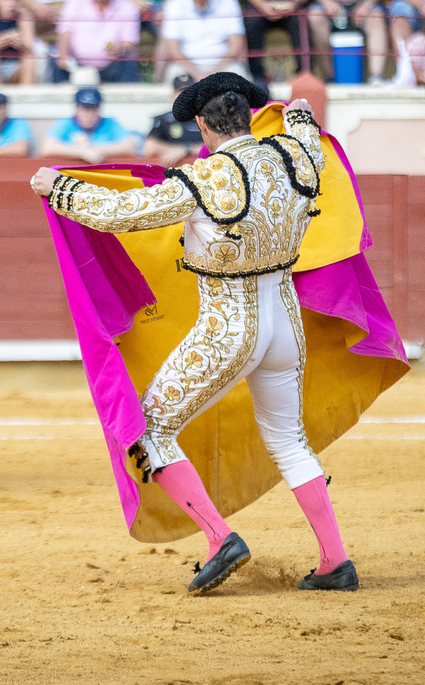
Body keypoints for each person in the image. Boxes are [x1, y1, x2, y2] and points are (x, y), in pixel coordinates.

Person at [29, 75, 360, 595]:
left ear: (204, 125)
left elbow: (125, 213)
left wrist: (62, 188)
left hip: (229, 327)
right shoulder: (296, 158)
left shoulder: (207, 178)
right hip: (285, 323)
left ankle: (218, 537)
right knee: (289, 440)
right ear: (247, 118)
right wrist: (298, 115)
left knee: (149, 429)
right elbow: (305, 133)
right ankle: (334, 561)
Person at [161, 0, 246, 82]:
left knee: (240, 80)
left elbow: (236, 46)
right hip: (185, 67)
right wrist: (196, 73)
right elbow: (173, 50)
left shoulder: (229, 3)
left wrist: (214, 72)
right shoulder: (174, 5)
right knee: (177, 80)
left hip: (224, 65)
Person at [52, 0, 139, 83]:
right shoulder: (74, 3)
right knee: (56, 57)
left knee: (128, 59)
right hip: (76, 66)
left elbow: (130, 43)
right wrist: (63, 56)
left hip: (113, 66)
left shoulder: (128, 7)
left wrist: (119, 48)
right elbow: (64, 34)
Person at [40, 86, 137, 162]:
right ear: (76, 109)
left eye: (93, 109)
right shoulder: (65, 123)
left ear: (99, 109)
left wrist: (91, 149)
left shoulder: (111, 123)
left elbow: (129, 148)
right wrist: (82, 152)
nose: (89, 114)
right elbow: (47, 148)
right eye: (85, 109)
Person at [142, 72, 201, 164]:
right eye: (180, 91)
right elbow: (149, 147)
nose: (185, 96)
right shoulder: (163, 119)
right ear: (173, 95)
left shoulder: (206, 118)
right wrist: (179, 150)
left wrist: (186, 150)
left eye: (189, 91)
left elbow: (217, 144)